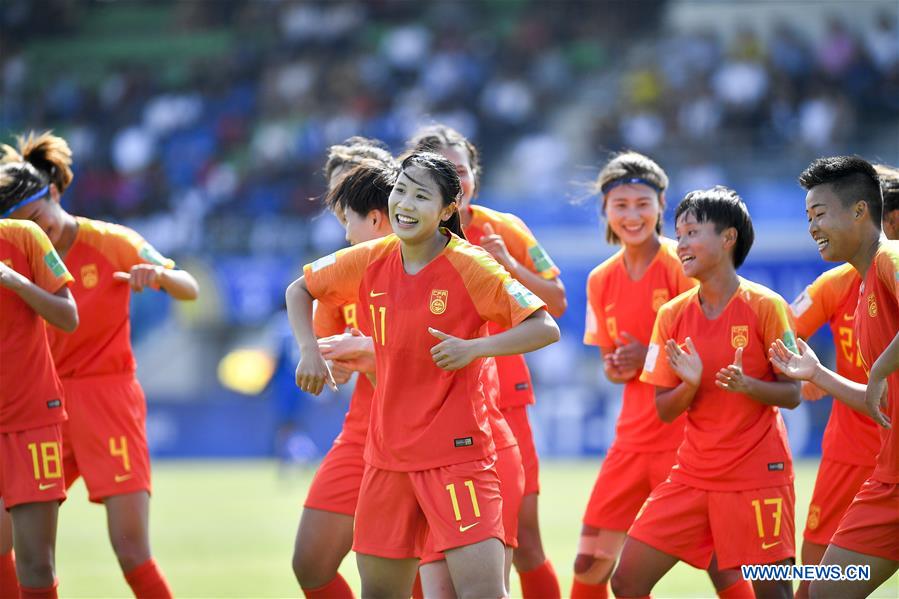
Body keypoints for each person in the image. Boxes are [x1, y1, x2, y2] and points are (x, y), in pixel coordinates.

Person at [286, 150, 559, 598]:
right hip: (387, 459)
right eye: (400, 191)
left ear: (448, 209)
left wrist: (475, 348)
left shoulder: (472, 265)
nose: (405, 204)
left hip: (458, 459)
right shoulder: (372, 257)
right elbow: (300, 289)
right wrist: (308, 352)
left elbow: (543, 327)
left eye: (420, 196)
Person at [1, 131, 199, 599]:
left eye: (37, 218)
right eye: (20, 225)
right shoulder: (22, 254)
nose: (36, 232)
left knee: (131, 551)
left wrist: (162, 277)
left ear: (53, 194)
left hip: (107, 397)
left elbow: (188, 286)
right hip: (42, 407)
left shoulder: (110, 241)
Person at [611, 186, 801, 599]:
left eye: (692, 233)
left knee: (774, 593)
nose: (680, 245)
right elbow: (663, 410)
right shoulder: (671, 315)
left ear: (728, 238)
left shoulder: (767, 306)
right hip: (693, 475)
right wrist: (689, 385)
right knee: (626, 581)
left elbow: (793, 394)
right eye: (678, 235)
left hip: (757, 477)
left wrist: (746, 384)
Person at [575, 153, 747, 598]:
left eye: (642, 204)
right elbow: (616, 366)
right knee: (590, 562)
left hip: (683, 440)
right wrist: (618, 367)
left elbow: (707, 344)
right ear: (605, 210)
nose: (632, 215)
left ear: (662, 205)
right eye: (621, 205)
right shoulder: (599, 279)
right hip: (630, 442)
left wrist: (646, 360)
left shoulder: (682, 264)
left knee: (722, 566)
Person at [409, 124, 565, 598]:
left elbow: (555, 302)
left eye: (461, 170)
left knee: (525, 540)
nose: (455, 179)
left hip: (505, 402)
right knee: (424, 545)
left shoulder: (505, 228)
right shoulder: (409, 234)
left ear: (475, 174)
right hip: (429, 406)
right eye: (443, 171)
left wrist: (510, 266)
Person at [769, 156, 898, 597]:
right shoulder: (856, 290)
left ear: (861, 211)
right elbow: (879, 406)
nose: (811, 227)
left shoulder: (890, 257)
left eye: (819, 214)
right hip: (888, 476)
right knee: (821, 587)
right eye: (808, 217)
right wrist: (818, 374)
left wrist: (880, 366)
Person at [292, 152, 396, 599]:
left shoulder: (446, 261)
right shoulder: (345, 269)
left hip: (431, 433)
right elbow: (302, 295)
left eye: (347, 216)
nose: (343, 231)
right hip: (363, 431)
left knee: (411, 576)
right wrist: (324, 356)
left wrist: (378, 355)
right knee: (311, 563)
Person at [0, 208, 77, 599]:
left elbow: (68, 316)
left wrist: (16, 282)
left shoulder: (24, 237)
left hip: (31, 420)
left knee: (36, 564)